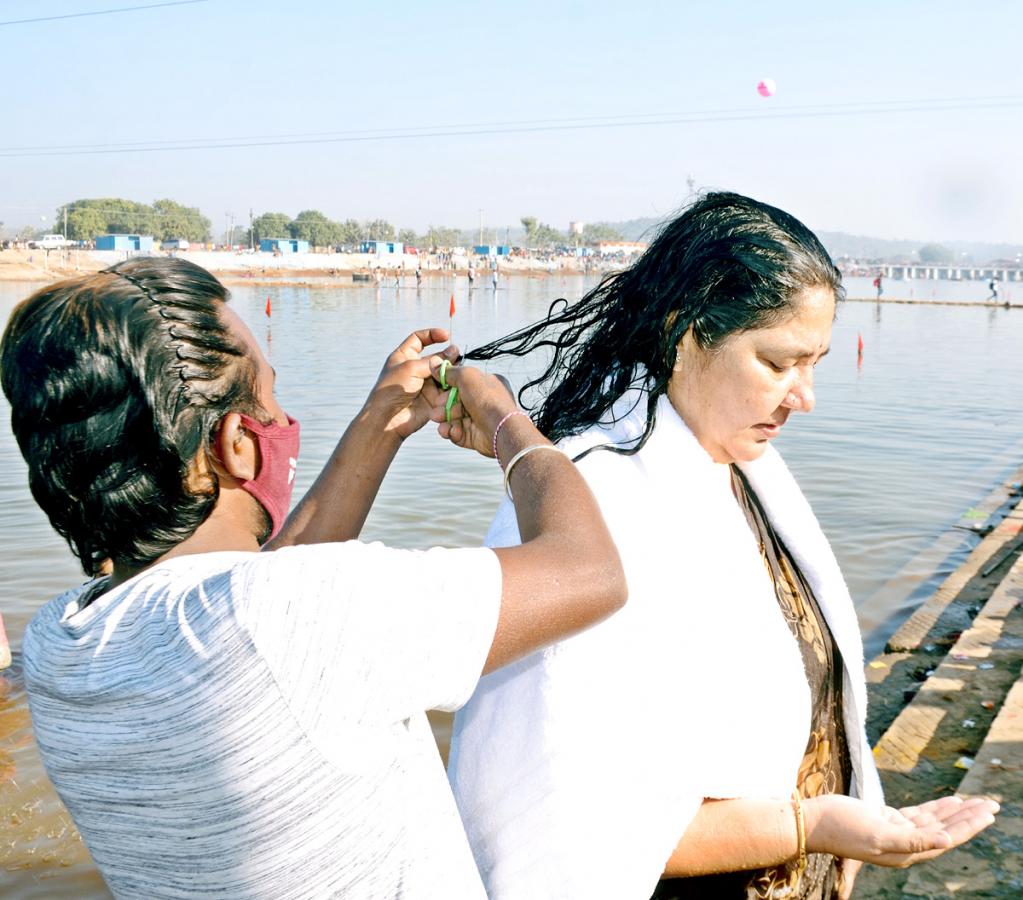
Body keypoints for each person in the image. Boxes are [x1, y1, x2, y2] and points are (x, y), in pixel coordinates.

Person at [0, 257, 626, 899]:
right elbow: (589, 571)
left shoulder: (59, 645)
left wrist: (378, 427)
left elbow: (254, 602)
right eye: (270, 393)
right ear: (236, 443)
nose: (283, 417)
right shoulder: (288, 615)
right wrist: (506, 423)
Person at [447, 192, 998, 900]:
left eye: (815, 362)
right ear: (683, 334)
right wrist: (812, 828)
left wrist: (843, 811)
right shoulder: (590, 506)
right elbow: (543, 821)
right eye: (777, 362)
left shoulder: (745, 472)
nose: (805, 396)